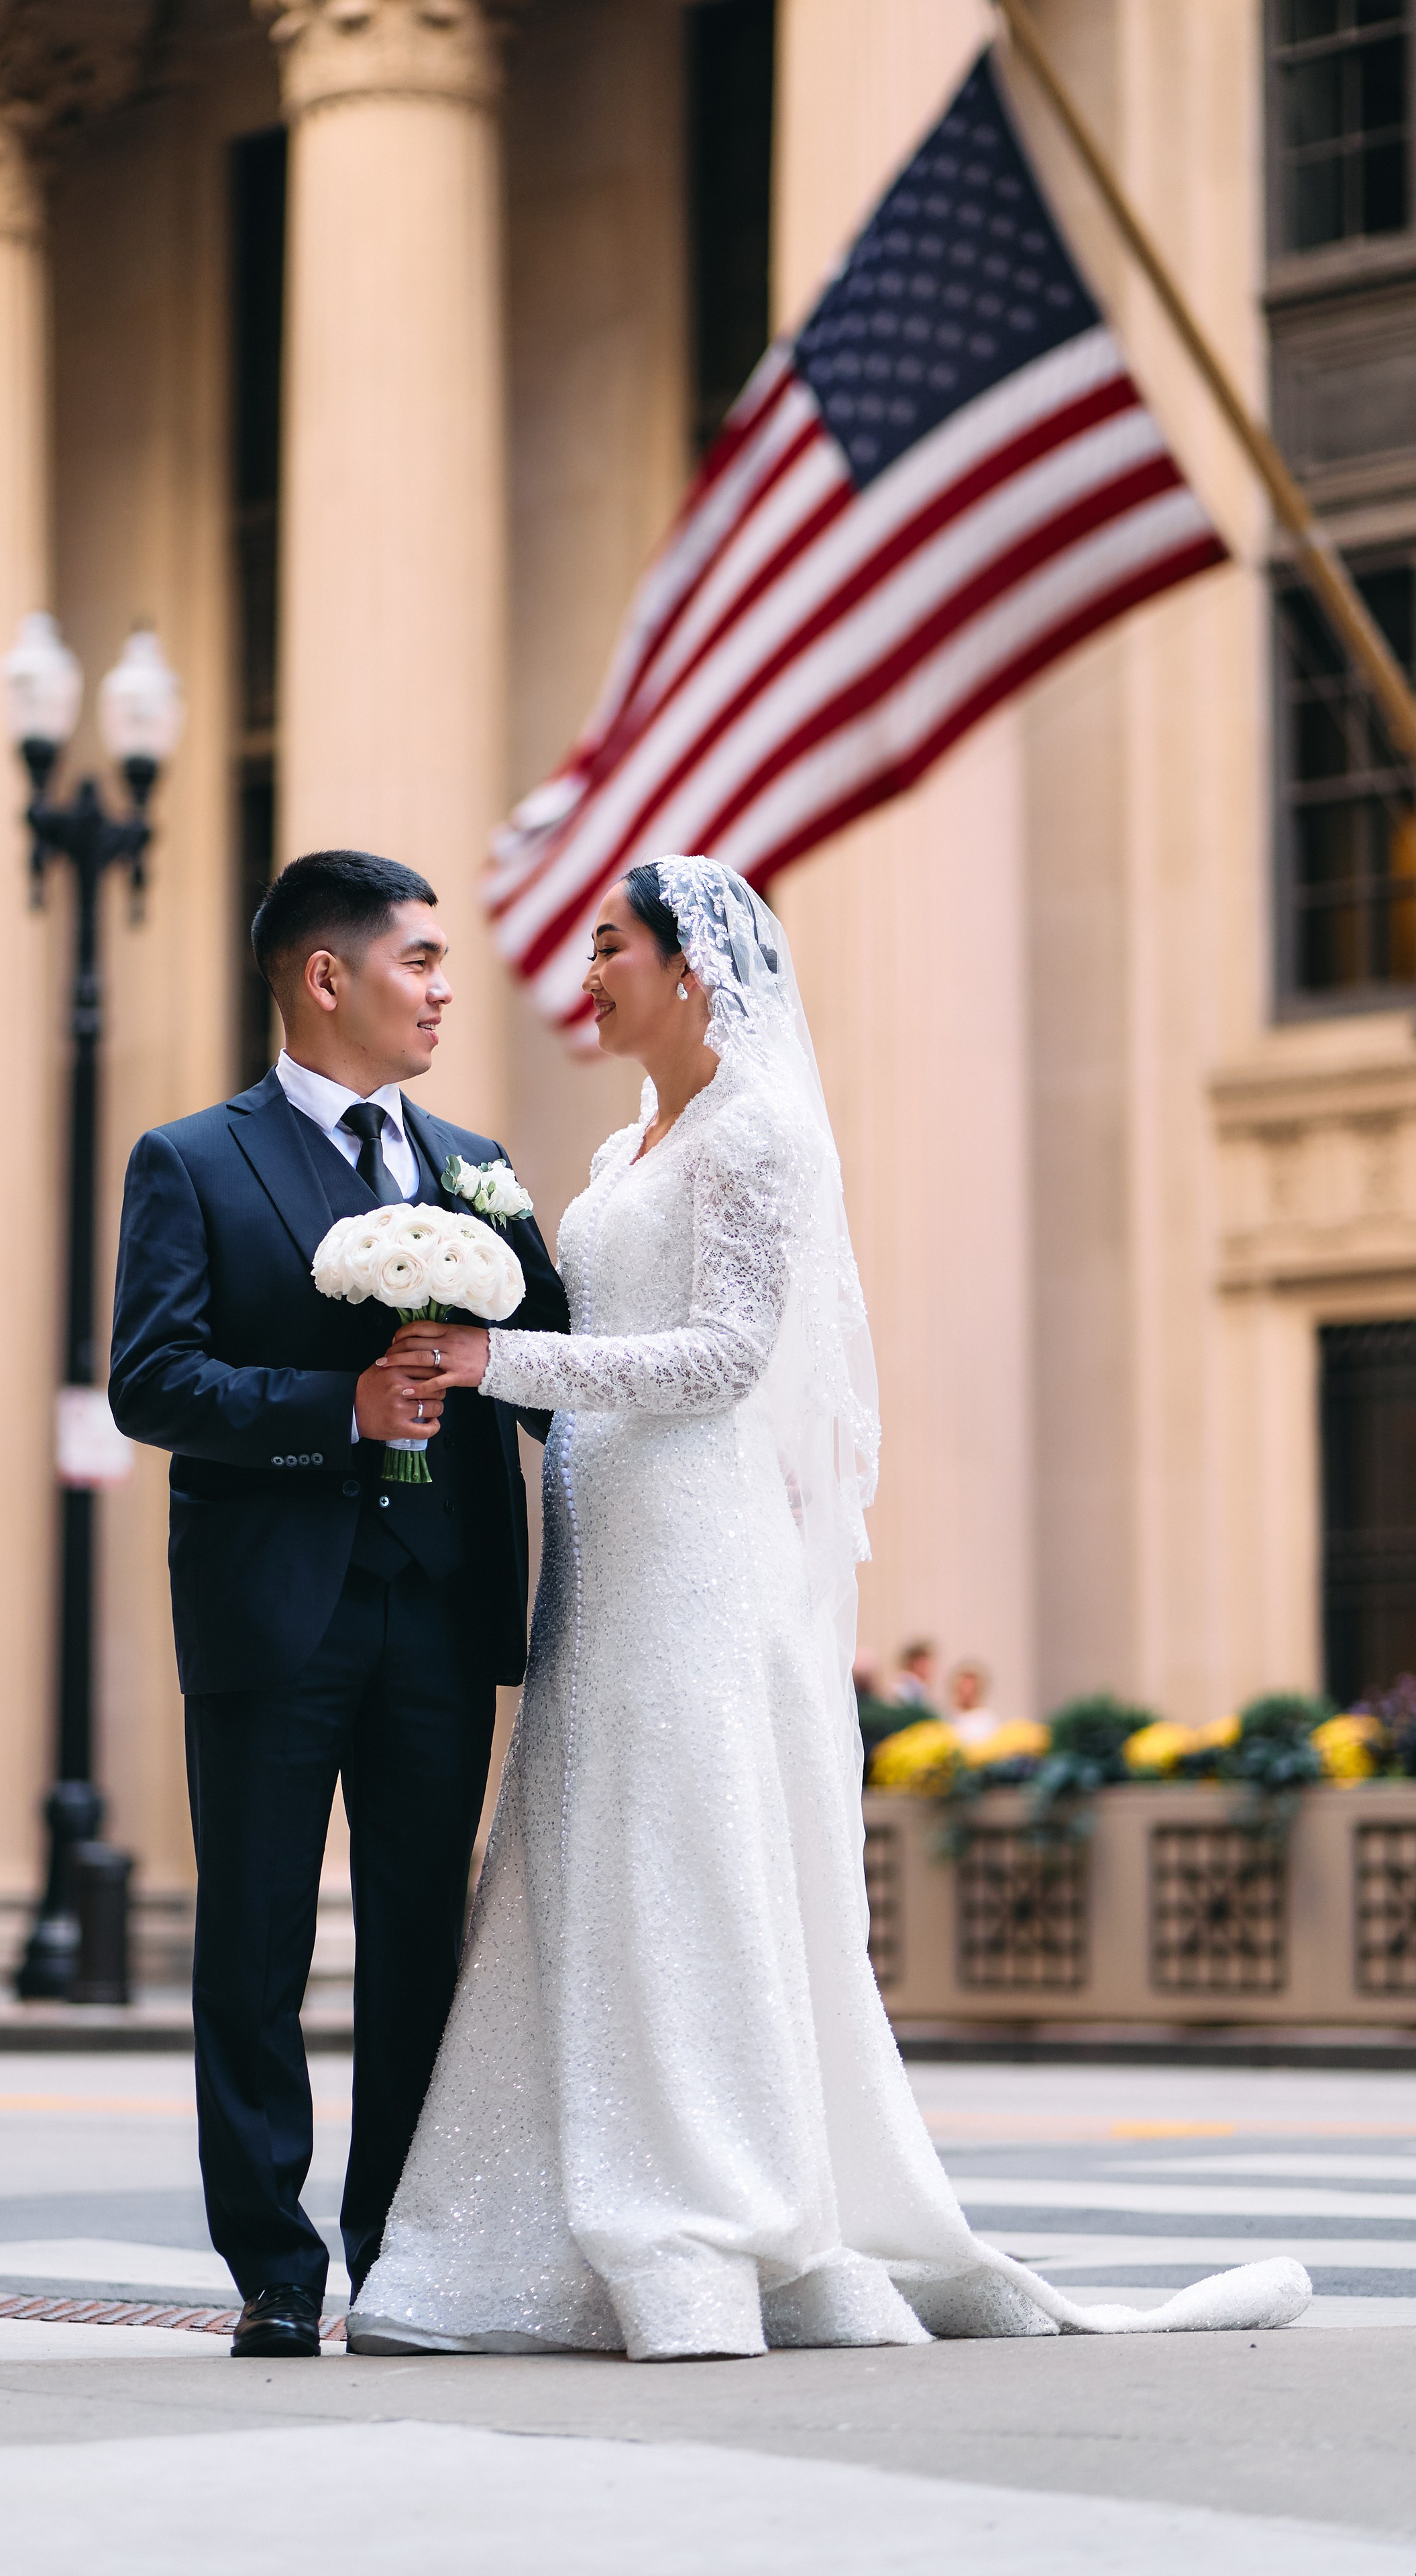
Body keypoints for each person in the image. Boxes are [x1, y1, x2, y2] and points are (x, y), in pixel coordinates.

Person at [349, 854, 1308, 2360]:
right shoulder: (618, 1151)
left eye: (608, 947)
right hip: (599, 1546)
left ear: (689, 970)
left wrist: (498, 1362)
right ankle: (535, 2236)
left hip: (695, 1543)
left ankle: (707, 2222)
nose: (585, 975)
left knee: (685, 1850)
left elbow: (728, 1357)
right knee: (589, 1847)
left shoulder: (762, 1132)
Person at [108, 848, 567, 2361]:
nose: (443, 990)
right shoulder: (193, 1161)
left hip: (439, 1608)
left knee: (419, 1943)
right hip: (272, 1612)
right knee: (252, 1944)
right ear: (326, 977)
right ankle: (275, 2266)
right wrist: (339, 1410)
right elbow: (151, 1382)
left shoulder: (474, 1164)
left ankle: (401, 2250)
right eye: (418, 961)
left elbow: (551, 1365)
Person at [945, 1660, 1000, 1750]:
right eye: (962, 1688)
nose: (966, 1692)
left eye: (970, 1689)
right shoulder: (947, 1718)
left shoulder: (987, 1720)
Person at [890, 1640, 939, 1710]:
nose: (929, 1668)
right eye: (923, 1663)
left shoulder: (922, 1689)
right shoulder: (904, 1690)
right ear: (911, 1663)